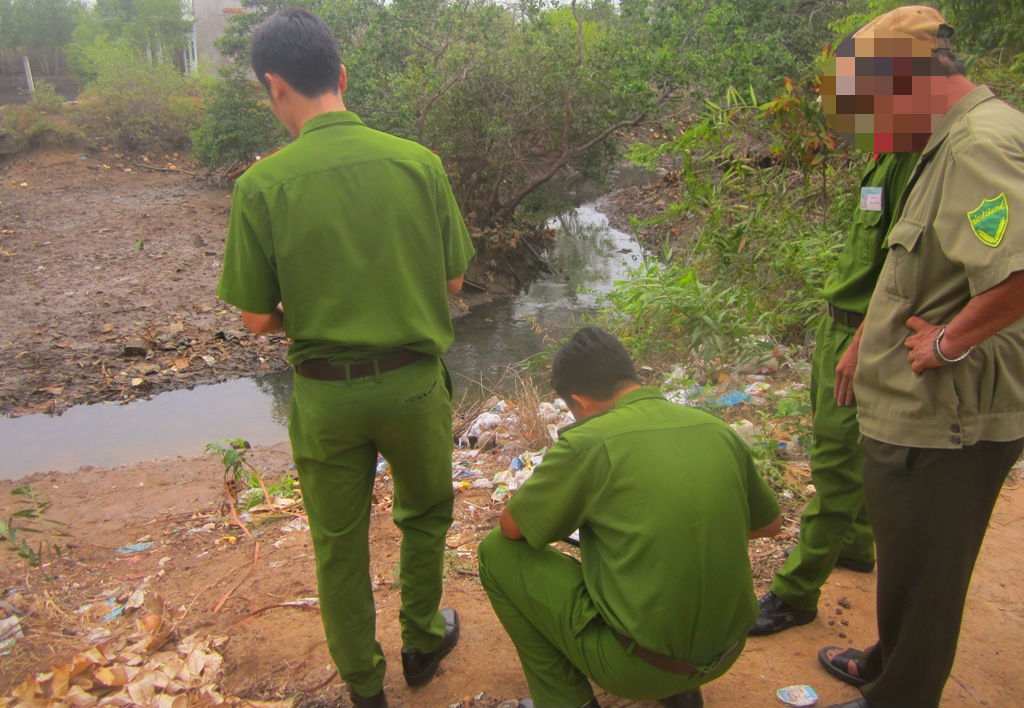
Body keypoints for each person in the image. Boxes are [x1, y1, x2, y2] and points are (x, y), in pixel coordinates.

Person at [216, 9, 475, 707]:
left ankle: (364, 684)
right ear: (342, 75)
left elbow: (255, 316)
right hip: (416, 387)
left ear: (274, 86)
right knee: (424, 517)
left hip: (328, 396)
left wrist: (324, 308)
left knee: (340, 544)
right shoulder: (417, 163)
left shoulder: (261, 186)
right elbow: (453, 282)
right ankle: (422, 639)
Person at [814, 6, 1024, 707]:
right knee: (909, 558)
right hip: (919, 410)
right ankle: (888, 662)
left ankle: (898, 694)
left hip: (947, 417)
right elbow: (915, 269)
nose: (871, 122)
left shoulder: (977, 146)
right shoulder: (943, 145)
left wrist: (947, 340)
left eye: (872, 101)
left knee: (928, 565)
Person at [478, 327, 782, 708]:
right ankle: (680, 693)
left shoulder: (588, 441)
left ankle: (566, 700)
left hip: (636, 669)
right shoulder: (715, 428)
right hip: (728, 650)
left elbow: (511, 528)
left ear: (578, 402)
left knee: (495, 554)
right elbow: (770, 524)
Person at [750, 153, 919, 635]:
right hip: (837, 327)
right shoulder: (883, 157)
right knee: (848, 443)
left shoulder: (913, 160)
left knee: (837, 463)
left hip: (864, 337)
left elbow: (907, 270)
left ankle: (795, 593)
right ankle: (856, 545)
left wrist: (864, 342)